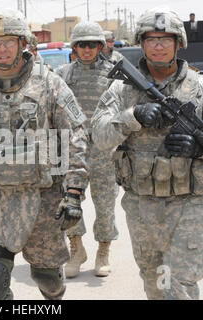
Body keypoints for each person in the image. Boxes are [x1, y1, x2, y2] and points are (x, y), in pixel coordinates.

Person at [0, 9, 89, 300]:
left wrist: (73, 191)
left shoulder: (49, 84)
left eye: (9, 41)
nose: (2, 48)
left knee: (46, 277)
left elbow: (76, 135)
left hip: (43, 198)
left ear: (22, 43)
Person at [91, 7, 203, 299]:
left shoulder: (199, 88)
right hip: (141, 206)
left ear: (179, 44)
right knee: (155, 285)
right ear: (141, 43)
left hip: (189, 204)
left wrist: (199, 148)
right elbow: (99, 136)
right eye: (151, 38)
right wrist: (133, 116)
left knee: (179, 284)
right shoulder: (120, 90)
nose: (158, 44)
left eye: (166, 38)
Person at [55, 21, 119, 278]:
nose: (86, 49)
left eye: (92, 44)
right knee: (70, 202)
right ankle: (76, 248)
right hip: (74, 150)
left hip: (104, 149)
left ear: (100, 46)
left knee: (104, 205)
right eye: (81, 44)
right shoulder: (63, 73)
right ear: (74, 47)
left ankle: (103, 250)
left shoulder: (115, 74)